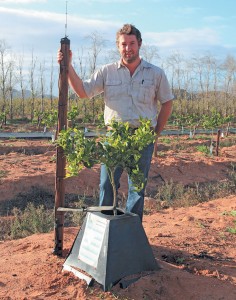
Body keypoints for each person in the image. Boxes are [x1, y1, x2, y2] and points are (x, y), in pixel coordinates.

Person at [57, 23, 174, 221]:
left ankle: (131, 231)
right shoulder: (107, 71)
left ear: (139, 44)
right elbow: (83, 92)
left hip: (142, 137)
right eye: (123, 44)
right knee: (106, 184)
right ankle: (106, 228)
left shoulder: (155, 73)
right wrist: (68, 66)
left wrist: (155, 134)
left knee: (137, 187)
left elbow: (167, 103)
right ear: (118, 46)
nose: (128, 48)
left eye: (132, 43)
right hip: (114, 138)